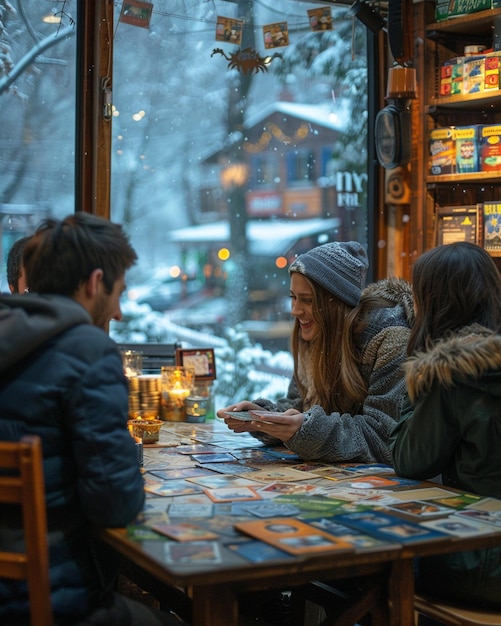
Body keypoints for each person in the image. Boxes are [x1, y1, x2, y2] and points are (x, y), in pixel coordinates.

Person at [0, 213, 185, 626]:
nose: (118, 312)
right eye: (118, 293)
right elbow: (115, 505)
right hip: (47, 600)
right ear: (94, 282)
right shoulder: (88, 351)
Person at [218, 241, 414, 464]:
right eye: (293, 297)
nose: (295, 310)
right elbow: (301, 406)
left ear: (336, 302)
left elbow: (384, 436)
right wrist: (264, 417)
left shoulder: (390, 339)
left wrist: (303, 430)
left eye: (308, 300)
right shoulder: (314, 333)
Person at [390, 241, 501, 616]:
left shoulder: (455, 372)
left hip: (480, 565)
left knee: (369, 573)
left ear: (438, 304)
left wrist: (420, 372)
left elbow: (408, 458)